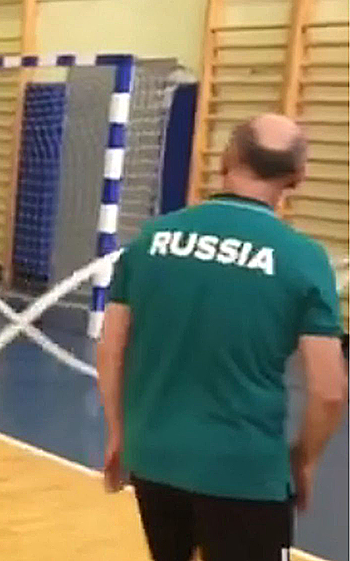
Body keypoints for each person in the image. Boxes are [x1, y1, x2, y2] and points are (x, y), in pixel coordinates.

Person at [97, 113, 347, 561]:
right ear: (298, 176)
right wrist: (304, 461)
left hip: (154, 459)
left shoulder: (152, 239)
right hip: (245, 474)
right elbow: (328, 391)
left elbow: (111, 349)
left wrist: (120, 433)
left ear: (226, 160)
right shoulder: (304, 260)